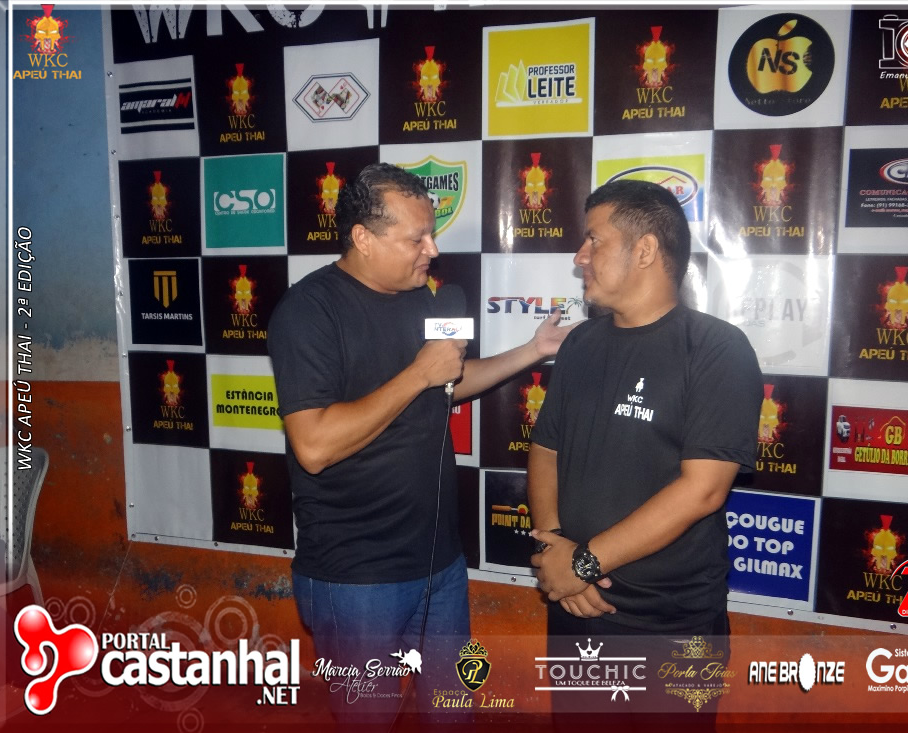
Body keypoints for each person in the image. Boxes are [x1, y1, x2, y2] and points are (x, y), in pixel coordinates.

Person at [267, 163, 574, 720]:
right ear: (363, 238)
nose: (432, 249)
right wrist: (418, 374)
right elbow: (313, 446)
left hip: (440, 564)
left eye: (431, 234)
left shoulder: (424, 299)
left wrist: (534, 350)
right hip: (357, 577)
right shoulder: (308, 312)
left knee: (453, 713)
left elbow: (447, 381)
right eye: (417, 238)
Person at [528, 179, 762, 727]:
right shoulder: (581, 343)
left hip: (670, 626)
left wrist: (584, 564)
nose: (579, 256)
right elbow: (544, 448)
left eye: (594, 240)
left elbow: (703, 490)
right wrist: (555, 551)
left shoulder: (716, 348)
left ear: (645, 250)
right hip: (575, 610)